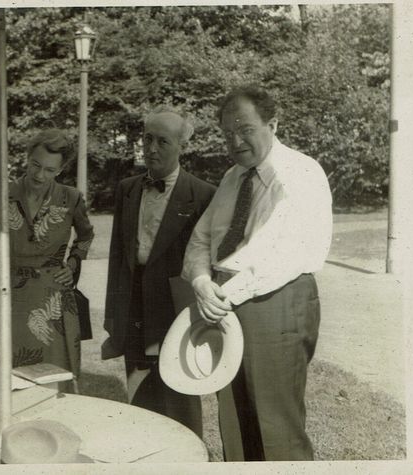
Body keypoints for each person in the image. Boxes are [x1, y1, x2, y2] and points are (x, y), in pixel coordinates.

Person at [182, 85, 332, 461]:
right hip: (224, 301)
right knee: (235, 421)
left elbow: (287, 254)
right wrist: (201, 281)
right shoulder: (233, 178)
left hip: (274, 303)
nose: (235, 141)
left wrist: (223, 294)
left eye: (246, 129)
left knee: (276, 427)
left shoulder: (300, 173)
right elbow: (201, 239)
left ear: (273, 124)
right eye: (227, 133)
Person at [101, 107, 215, 436]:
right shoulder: (127, 188)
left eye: (162, 141)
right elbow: (117, 257)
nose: (152, 148)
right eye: (147, 139)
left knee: (180, 395)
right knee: (139, 393)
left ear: (182, 146)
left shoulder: (203, 194)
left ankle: (188, 454)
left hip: (175, 306)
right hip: (134, 304)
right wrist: (114, 316)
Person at [0, 129, 94, 389]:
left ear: (61, 170)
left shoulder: (71, 198)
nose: (40, 175)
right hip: (8, 294)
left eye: (50, 170)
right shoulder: (0, 193)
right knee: (10, 376)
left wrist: (72, 264)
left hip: (53, 300)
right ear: (27, 158)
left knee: (54, 378)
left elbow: (85, 236)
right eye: (35, 165)